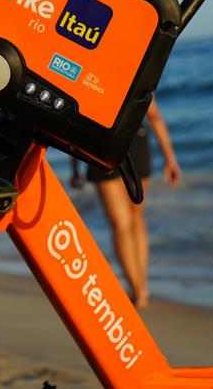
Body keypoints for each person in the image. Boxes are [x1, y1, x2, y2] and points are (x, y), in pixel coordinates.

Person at [69, 97, 180, 308]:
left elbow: (77, 119)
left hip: (100, 143)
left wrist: (74, 166)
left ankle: (137, 290)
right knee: (135, 216)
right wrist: (170, 158)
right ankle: (142, 286)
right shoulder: (134, 69)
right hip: (135, 140)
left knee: (122, 223)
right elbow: (154, 116)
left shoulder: (92, 73)